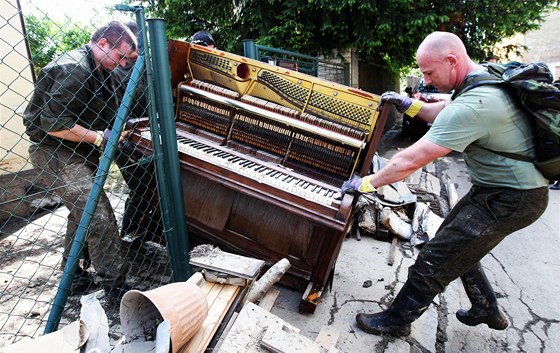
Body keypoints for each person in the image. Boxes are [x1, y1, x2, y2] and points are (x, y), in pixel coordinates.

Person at [342, 31, 549, 336]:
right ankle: (486, 308)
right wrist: (407, 103)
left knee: (435, 258)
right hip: (500, 192)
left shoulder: (476, 103)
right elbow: (441, 110)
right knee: (459, 246)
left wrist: (366, 183)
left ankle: (397, 321)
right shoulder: (482, 80)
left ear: (451, 61)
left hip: (512, 198)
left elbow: (412, 159)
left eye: (428, 72)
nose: (426, 80)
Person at [23, 21, 138, 299]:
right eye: (121, 56)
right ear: (101, 44)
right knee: (97, 215)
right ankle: (115, 285)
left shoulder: (101, 68)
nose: (123, 63)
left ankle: (73, 275)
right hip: (54, 151)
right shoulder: (74, 68)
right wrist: (100, 138)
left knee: (80, 216)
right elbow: (52, 124)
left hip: (78, 152)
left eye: (128, 59)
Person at [112, 21, 163, 252]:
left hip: (149, 136)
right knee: (142, 188)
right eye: (133, 43)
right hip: (125, 141)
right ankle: (129, 235)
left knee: (156, 187)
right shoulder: (114, 71)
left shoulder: (145, 67)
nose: (137, 48)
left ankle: (147, 231)